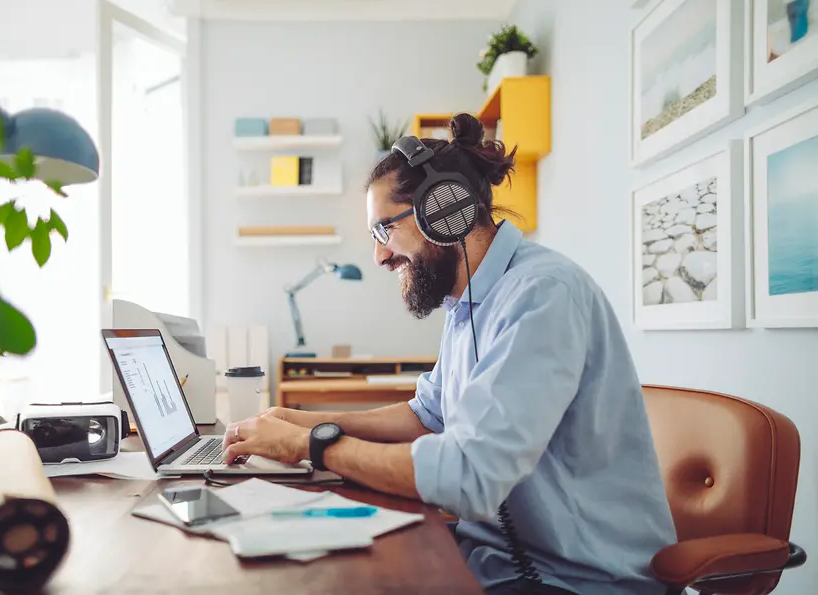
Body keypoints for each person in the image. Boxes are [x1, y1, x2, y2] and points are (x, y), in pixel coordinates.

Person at [221, 113, 677, 595]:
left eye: (383, 231)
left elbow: (470, 477)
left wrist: (310, 447)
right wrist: (302, 420)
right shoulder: (468, 301)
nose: (379, 257)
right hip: (492, 558)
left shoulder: (543, 295)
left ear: (443, 210)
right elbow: (426, 415)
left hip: (576, 579)